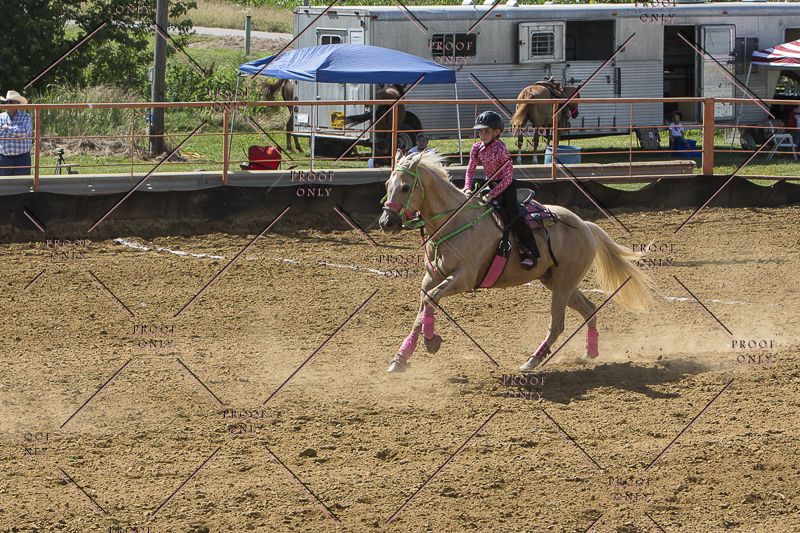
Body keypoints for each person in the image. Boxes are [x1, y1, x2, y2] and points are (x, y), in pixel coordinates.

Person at [463, 111, 540, 269]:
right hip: (489, 183)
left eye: (486, 131)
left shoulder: (502, 151)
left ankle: (529, 252)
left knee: (514, 216)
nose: (482, 135)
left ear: (497, 132)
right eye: (480, 132)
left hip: (506, 186)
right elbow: (470, 169)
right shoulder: (476, 148)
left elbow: (508, 178)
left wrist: (491, 195)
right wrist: (467, 187)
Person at [0, 90, 33, 176]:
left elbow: (24, 132)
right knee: (4, 183)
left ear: (17, 103)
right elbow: (20, 132)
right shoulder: (1, 117)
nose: (7, 104)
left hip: (22, 158)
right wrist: (16, 132)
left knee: (22, 183)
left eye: (10, 102)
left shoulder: (25, 116)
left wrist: (6, 128)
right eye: (6, 102)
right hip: (4, 158)